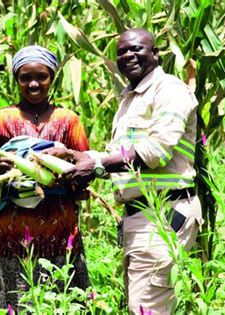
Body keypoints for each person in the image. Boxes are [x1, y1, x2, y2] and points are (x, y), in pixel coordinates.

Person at [50, 29, 202, 314]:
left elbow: (156, 151)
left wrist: (95, 166)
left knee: (147, 308)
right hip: (140, 216)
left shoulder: (169, 90)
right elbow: (118, 158)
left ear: (155, 53)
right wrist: (72, 157)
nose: (128, 55)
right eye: (121, 52)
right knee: (141, 306)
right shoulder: (130, 99)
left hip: (164, 214)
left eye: (136, 49)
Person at [0, 45, 91, 310]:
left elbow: (86, 168)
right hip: (12, 232)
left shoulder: (68, 120)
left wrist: (65, 167)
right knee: (16, 303)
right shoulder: (1, 119)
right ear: (16, 79)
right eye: (25, 77)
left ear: (51, 77)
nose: (34, 83)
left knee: (64, 304)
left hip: (61, 229)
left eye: (41, 76)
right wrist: (4, 171)